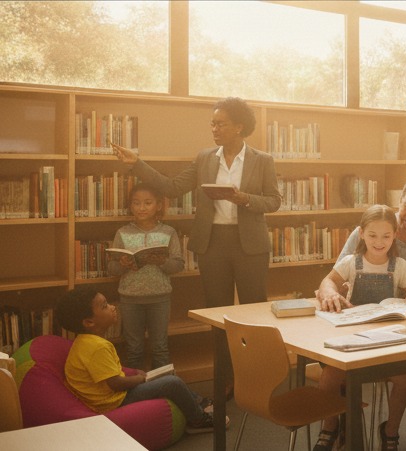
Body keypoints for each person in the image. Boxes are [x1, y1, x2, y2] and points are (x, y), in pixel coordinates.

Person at [316, 177, 406, 451]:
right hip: (362, 323)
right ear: (400, 201)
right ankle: (340, 425)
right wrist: (328, 292)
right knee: (337, 366)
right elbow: (333, 277)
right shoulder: (375, 226)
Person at [111, 97, 282, 308]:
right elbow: (172, 188)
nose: (214, 129)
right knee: (216, 306)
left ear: (239, 127)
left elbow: (274, 201)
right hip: (213, 242)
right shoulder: (205, 158)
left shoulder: (262, 160)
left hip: (250, 244)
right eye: (212, 124)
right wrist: (137, 163)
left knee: (254, 306)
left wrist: (244, 199)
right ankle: (221, 343)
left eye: (221, 124)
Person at [315, 205, 406, 451]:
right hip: (353, 342)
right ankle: (329, 426)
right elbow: (327, 282)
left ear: (394, 236)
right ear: (361, 233)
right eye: (373, 235)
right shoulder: (350, 263)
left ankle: (390, 431)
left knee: (405, 379)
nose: (379, 242)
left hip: (385, 344)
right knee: (329, 376)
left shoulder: (400, 266)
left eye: (386, 236)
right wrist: (331, 291)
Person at [56, 287, 224, 434]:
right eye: (105, 306)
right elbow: (115, 384)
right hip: (114, 402)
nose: (113, 307)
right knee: (173, 382)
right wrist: (139, 378)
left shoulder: (84, 342)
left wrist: (136, 374)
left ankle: (198, 402)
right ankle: (198, 420)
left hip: (111, 396)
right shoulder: (97, 347)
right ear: (89, 322)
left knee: (165, 374)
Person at [107, 183, 184, 370]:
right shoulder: (123, 232)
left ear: (158, 205)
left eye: (147, 203)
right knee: (134, 348)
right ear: (130, 206)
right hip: (130, 298)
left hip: (160, 298)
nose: (141, 208)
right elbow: (111, 267)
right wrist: (123, 265)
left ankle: (163, 391)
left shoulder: (168, 232)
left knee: (160, 347)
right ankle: (137, 393)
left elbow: (179, 265)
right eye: (136, 203)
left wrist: (160, 262)